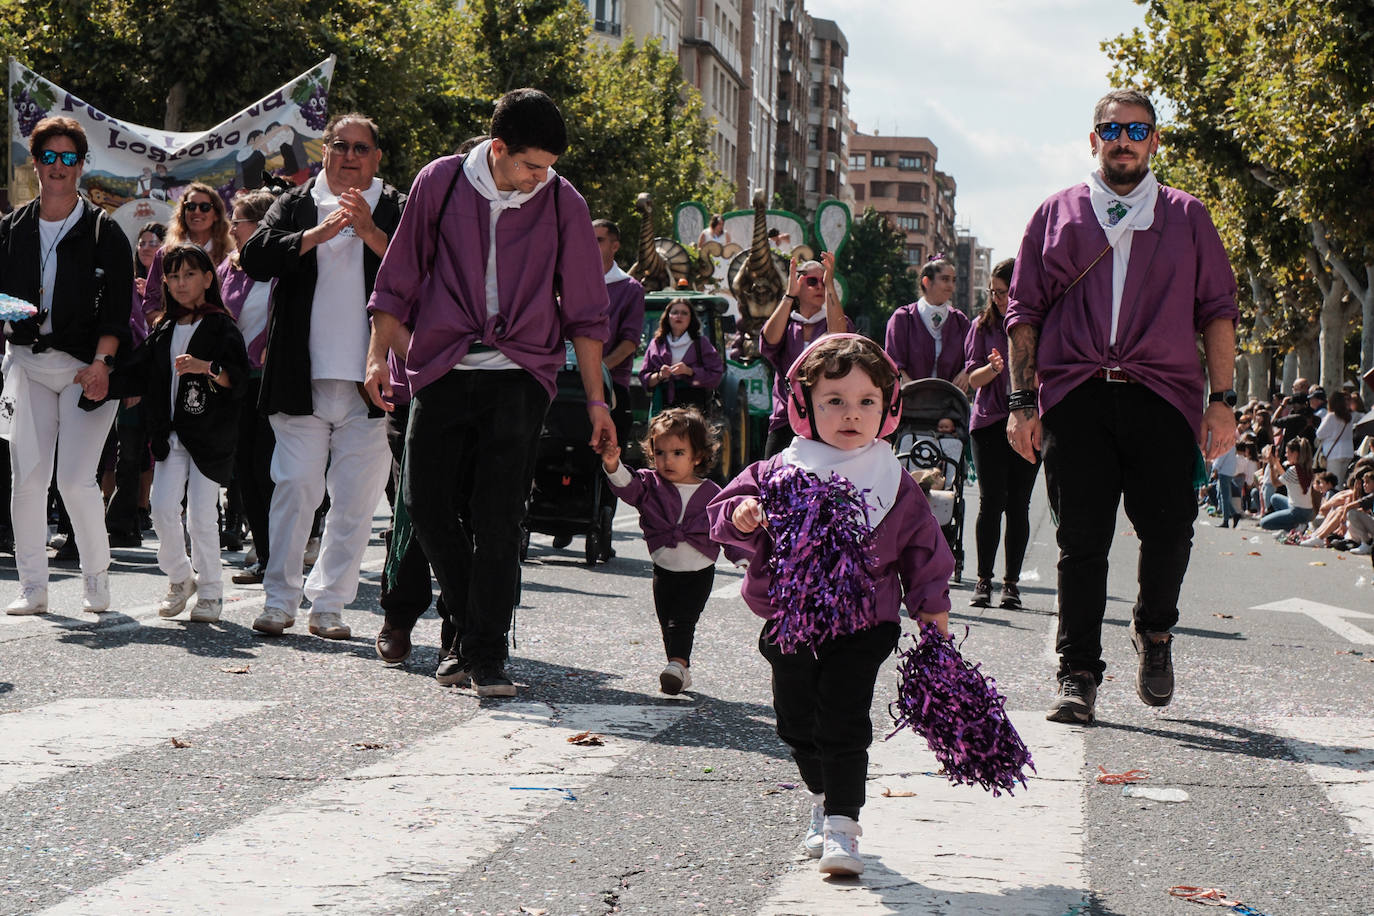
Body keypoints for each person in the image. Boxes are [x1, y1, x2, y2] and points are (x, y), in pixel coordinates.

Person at [364, 88, 613, 697]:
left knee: (498, 518)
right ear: (497, 148)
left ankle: (484, 652)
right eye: (530, 164)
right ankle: (468, 631)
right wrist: (377, 354)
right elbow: (398, 280)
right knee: (424, 504)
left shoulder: (562, 202)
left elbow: (584, 312)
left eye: (548, 167)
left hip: (520, 374)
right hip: (443, 366)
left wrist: (597, 403)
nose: (539, 177)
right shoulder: (441, 183)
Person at [1005, 89, 1238, 724]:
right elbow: (1023, 312)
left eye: (1137, 128)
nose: (1123, 138)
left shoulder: (1188, 216)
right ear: (1093, 140)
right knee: (1082, 540)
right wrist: (1022, 403)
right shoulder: (1057, 214)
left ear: (1155, 141)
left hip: (1163, 396)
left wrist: (1223, 401)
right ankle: (1077, 672)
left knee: (1169, 531)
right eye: (1111, 128)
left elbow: (1217, 310)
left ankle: (1154, 633)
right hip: (1076, 395)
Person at [708, 334, 953, 877]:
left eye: (867, 401)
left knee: (843, 719)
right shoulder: (778, 472)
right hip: (789, 620)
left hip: (865, 622)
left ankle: (843, 825)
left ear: (888, 408)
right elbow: (723, 518)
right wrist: (744, 518)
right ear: (803, 406)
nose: (851, 414)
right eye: (834, 401)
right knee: (796, 722)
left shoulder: (893, 480)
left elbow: (925, 550)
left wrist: (933, 615)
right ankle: (822, 794)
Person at [239, 112, 405, 640]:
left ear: (376, 157)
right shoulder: (297, 201)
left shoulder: (396, 206)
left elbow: (423, 270)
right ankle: (278, 599)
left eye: (361, 147)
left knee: (356, 501)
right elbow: (254, 257)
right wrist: (314, 235)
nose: (350, 156)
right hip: (300, 377)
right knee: (295, 489)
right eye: (340, 146)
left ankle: (329, 604)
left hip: (372, 382)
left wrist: (370, 232)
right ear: (326, 151)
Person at [1, 117, 133, 616]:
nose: (58, 167)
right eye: (49, 157)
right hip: (26, 366)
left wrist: (102, 362)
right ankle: (33, 586)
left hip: (86, 371)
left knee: (76, 482)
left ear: (81, 166)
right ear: (34, 163)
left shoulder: (105, 230)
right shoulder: (10, 229)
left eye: (68, 158)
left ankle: (96, 578)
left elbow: (118, 311)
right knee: (28, 480)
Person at [135, 245, 249, 622]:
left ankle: (212, 591)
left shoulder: (221, 324)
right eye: (173, 276)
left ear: (206, 278)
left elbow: (237, 378)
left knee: (201, 515)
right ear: (164, 282)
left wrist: (207, 367)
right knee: (162, 508)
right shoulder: (165, 327)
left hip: (208, 436)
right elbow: (142, 371)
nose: (181, 283)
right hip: (170, 435)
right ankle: (181, 577)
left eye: (189, 274)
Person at [602, 407, 721, 694]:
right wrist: (613, 464)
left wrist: (744, 558)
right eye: (660, 453)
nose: (667, 460)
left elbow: (727, 529)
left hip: (699, 569)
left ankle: (677, 665)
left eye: (678, 452)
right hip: (663, 569)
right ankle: (679, 669)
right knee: (666, 621)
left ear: (698, 456)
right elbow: (627, 488)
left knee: (682, 621)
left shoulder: (712, 493)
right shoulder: (650, 485)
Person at [964, 258, 1039, 609]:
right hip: (989, 423)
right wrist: (991, 369)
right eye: (993, 293)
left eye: (1004, 293)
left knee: (1019, 504)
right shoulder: (982, 326)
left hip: (1027, 421)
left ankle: (1011, 584)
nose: (997, 300)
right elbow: (971, 381)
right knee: (991, 501)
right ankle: (983, 581)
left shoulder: (1038, 324)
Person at [217, 190, 279, 585]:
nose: (231, 229)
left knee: (274, 473)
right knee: (247, 475)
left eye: (237, 221)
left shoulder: (286, 266)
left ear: (258, 225)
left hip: (275, 385)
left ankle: (281, 555)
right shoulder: (229, 268)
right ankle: (264, 554)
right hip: (236, 384)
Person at [105, 221, 166, 547]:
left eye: (153, 242)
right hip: (133, 375)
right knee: (126, 451)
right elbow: (127, 328)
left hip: (160, 377)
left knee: (155, 452)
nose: (146, 247)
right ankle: (121, 523)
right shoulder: (125, 283)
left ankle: (143, 514)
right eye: (142, 242)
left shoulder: (174, 281)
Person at [759, 253, 850, 457]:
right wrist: (789, 295)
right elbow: (769, 340)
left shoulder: (833, 320)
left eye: (823, 281)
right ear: (798, 285)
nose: (819, 286)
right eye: (812, 281)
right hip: (786, 417)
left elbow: (839, 337)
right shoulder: (787, 322)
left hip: (825, 418)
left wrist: (830, 286)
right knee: (772, 479)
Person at [141, 182, 235, 324]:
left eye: (204, 207)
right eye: (190, 206)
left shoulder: (229, 256)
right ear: (183, 213)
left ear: (216, 214)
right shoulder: (165, 254)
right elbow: (150, 306)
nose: (196, 211)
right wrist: (175, 325)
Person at [594, 219, 645, 454]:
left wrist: (595, 370)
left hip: (612, 387)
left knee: (607, 465)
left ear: (615, 246)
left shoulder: (630, 289)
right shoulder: (573, 283)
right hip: (571, 385)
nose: (591, 244)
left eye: (599, 240)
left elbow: (629, 344)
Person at [884, 256, 971, 387]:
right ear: (926, 282)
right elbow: (893, 365)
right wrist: (916, 393)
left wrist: (966, 372)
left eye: (953, 280)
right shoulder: (902, 318)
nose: (951, 286)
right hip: (910, 401)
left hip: (950, 403)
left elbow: (974, 357)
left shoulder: (960, 321)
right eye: (945, 279)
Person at [640, 299, 723, 412]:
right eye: (675, 312)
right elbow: (645, 378)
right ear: (668, 317)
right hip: (662, 404)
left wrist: (689, 371)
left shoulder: (701, 343)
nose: (679, 316)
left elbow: (715, 375)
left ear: (691, 318)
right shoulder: (656, 343)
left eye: (684, 313)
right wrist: (660, 375)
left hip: (693, 404)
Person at [1259, 438, 1316, 532]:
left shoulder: (1294, 470)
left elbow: (1276, 483)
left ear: (1295, 454)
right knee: (1275, 498)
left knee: (1264, 523)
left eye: (1287, 452)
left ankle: (1294, 527)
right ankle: (1294, 526)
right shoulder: (1305, 468)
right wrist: (1276, 462)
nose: (1286, 455)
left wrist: (1271, 465)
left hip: (1297, 511)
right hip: (1307, 511)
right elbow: (1285, 477)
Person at [1315, 390, 1362, 484]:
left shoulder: (1331, 416)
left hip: (1334, 453)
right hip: (1348, 452)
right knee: (1341, 481)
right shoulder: (1348, 417)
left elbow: (1319, 434)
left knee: (1333, 482)